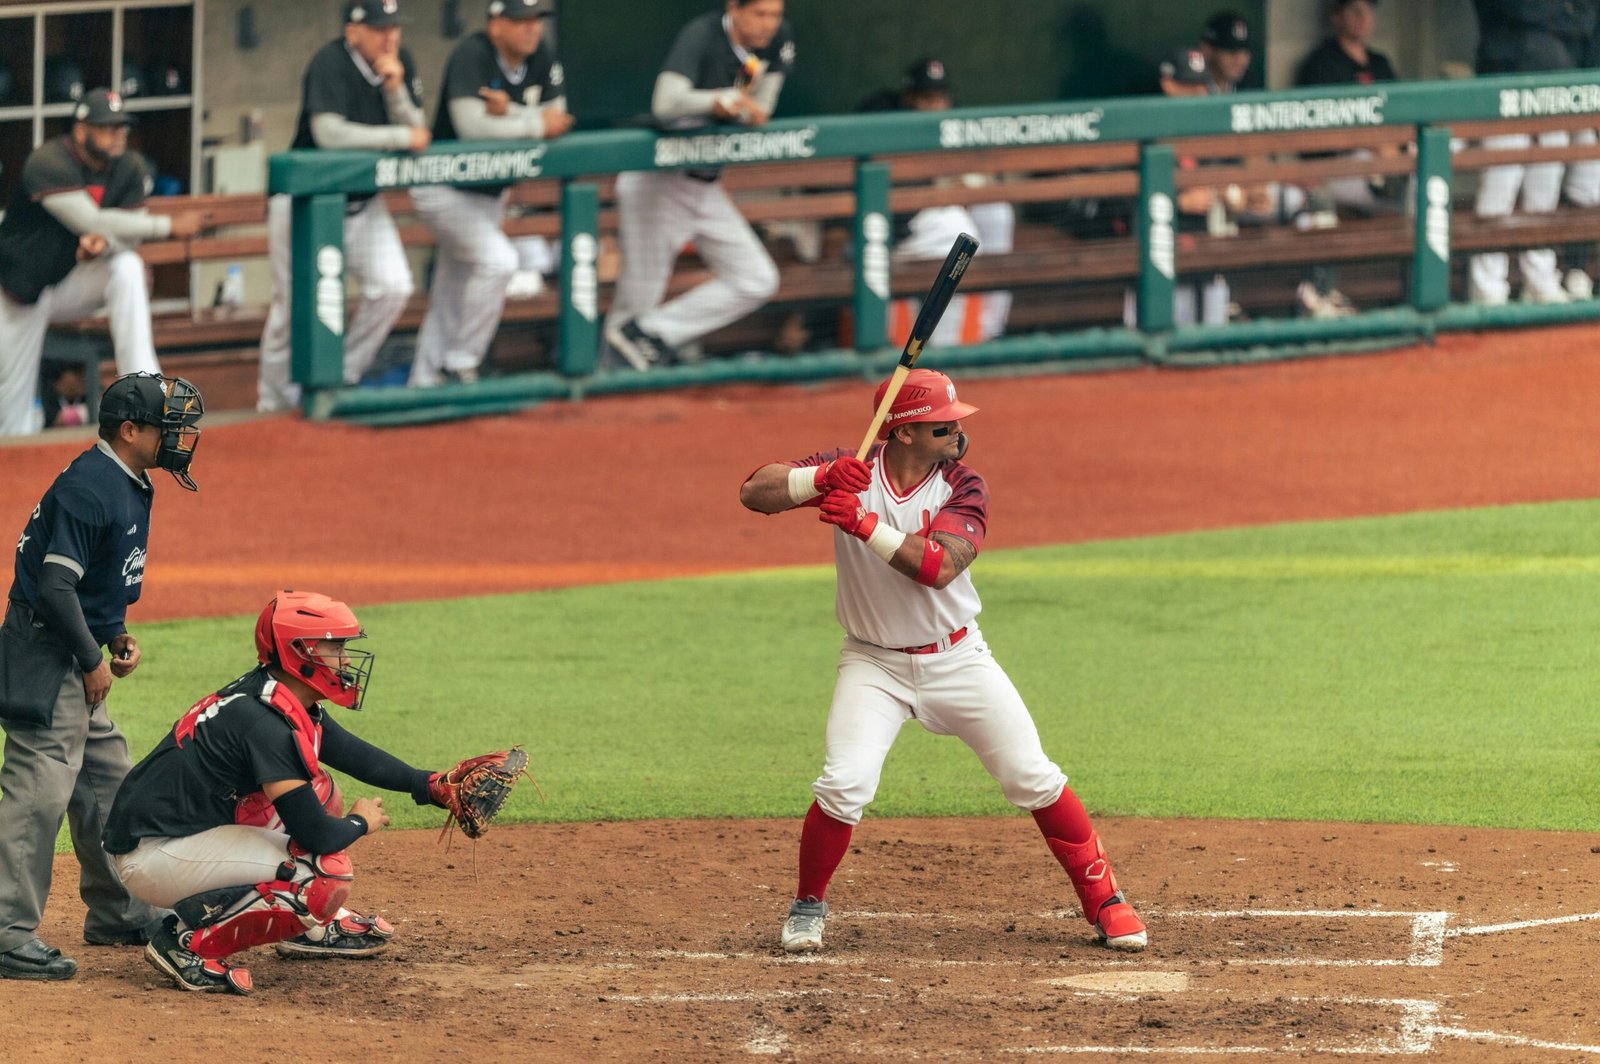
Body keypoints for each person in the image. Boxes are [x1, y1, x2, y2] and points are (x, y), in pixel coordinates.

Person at [738, 369, 1149, 955]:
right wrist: (818, 478)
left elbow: (938, 568)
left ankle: (1106, 902)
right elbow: (755, 492)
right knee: (845, 783)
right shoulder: (852, 464)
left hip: (958, 659)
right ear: (903, 432)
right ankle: (808, 905)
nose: (957, 431)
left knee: (1031, 776)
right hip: (872, 665)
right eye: (943, 424)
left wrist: (863, 522)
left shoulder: (962, 485)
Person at [103, 591, 455, 994]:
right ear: (298, 652)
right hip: (153, 855)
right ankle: (185, 944)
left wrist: (427, 784)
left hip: (185, 829)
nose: (344, 660)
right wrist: (361, 821)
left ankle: (305, 928)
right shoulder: (265, 724)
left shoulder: (277, 692)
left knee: (322, 790)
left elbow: (349, 752)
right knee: (322, 875)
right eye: (334, 647)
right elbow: (317, 836)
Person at [0, 372, 204, 982]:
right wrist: (91, 659)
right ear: (130, 431)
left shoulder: (129, 480)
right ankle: (8, 932)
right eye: (168, 424)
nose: (181, 434)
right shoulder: (90, 487)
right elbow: (56, 587)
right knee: (38, 794)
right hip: (45, 654)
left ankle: (120, 910)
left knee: (108, 785)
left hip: (74, 646)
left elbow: (93, 583)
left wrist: (111, 635)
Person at [601, 0, 793, 371]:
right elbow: (665, 102)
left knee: (756, 279)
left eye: (775, 14)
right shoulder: (703, 34)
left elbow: (762, 106)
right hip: (658, 182)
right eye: (760, 14)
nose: (769, 23)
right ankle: (607, 393)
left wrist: (744, 107)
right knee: (637, 301)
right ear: (734, 8)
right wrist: (715, 100)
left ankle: (651, 334)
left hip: (705, 185)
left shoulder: (778, 38)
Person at [257, 0, 429, 413]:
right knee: (292, 306)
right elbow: (329, 133)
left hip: (361, 205)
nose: (390, 37)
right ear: (353, 32)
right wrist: (397, 137)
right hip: (303, 204)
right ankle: (274, 406)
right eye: (377, 28)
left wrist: (396, 90)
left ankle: (340, 376)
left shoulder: (398, 63)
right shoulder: (330, 61)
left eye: (394, 28)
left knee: (393, 287)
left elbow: (417, 130)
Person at [0, 88, 203, 436]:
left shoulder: (129, 167)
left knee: (127, 267)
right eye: (107, 127)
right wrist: (168, 226)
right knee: (11, 420)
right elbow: (89, 221)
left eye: (120, 127)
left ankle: (147, 396)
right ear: (81, 130)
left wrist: (104, 244)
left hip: (69, 281)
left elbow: (125, 236)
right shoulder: (48, 161)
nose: (117, 135)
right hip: (18, 290)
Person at [409, 0, 573, 388]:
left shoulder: (541, 55)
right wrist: (530, 121)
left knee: (453, 290)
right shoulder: (473, 53)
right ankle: (460, 364)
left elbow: (559, 119)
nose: (532, 29)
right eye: (520, 21)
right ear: (496, 25)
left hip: (489, 192)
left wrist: (510, 112)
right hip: (442, 185)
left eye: (536, 20)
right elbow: (471, 127)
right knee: (499, 261)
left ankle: (423, 383)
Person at [860, 58, 1014, 348]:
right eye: (927, 98)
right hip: (902, 224)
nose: (936, 106)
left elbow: (979, 172)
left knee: (996, 212)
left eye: (941, 97)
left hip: (935, 214)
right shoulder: (886, 120)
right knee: (960, 236)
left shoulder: (953, 123)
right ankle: (943, 347)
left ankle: (991, 329)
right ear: (909, 97)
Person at [1468, 0, 1599, 306]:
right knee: (1500, 186)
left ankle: (1539, 278)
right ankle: (1486, 286)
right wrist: (1560, 14)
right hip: (1505, 82)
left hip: (1554, 87)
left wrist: (1551, 16)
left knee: (1545, 189)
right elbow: (1519, 10)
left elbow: (1585, 19)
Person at [1292, 0, 1400, 318]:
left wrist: (1389, 148)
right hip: (1338, 170)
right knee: (1318, 198)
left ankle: (1413, 290)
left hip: (1387, 170)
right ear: (1335, 16)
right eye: (1354, 10)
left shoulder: (1380, 63)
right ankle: (1323, 294)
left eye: (1368, 10)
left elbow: (1403, 118)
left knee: (1425, 189)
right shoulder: (1320, 64)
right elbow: (1314, 136)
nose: (1363, 18)